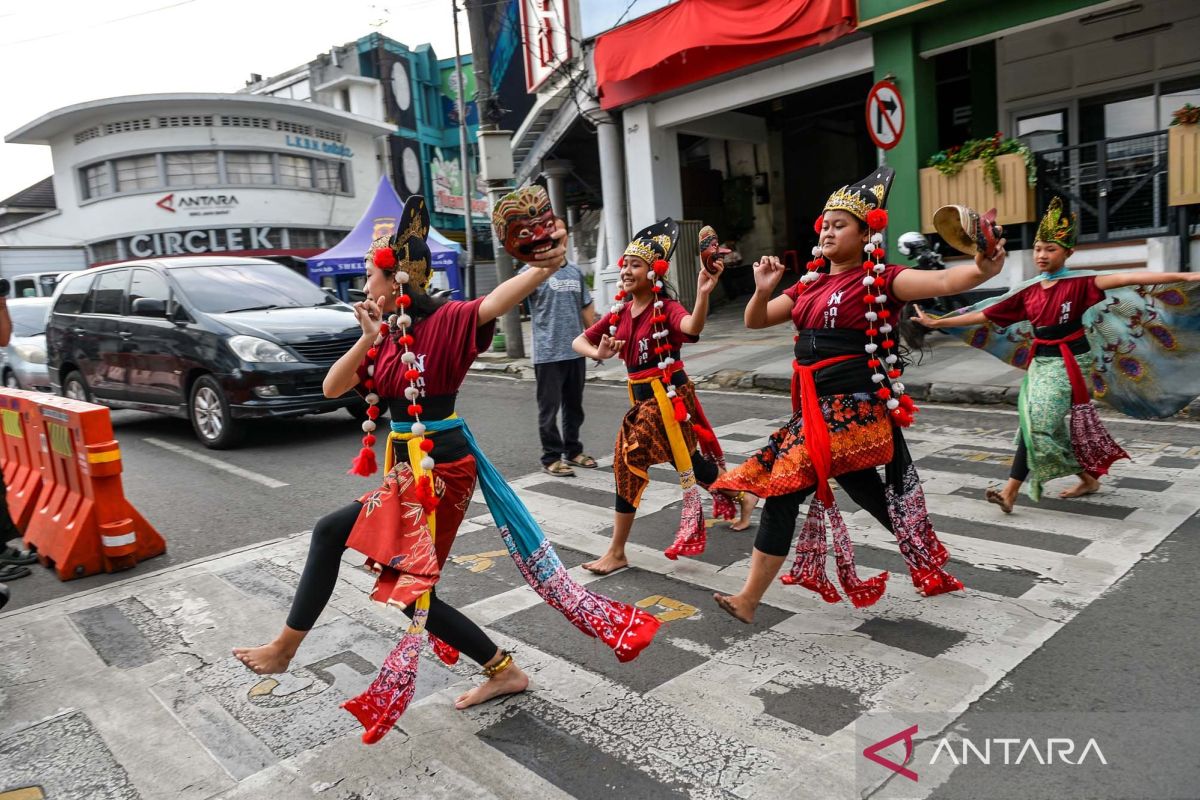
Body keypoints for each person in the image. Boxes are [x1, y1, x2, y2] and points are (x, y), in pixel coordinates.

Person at [234, 195, 660, 744]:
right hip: (408, 466)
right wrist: (366, 336)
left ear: (397, 281)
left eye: (370, 277)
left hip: (440, 466)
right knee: (406, 586)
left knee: (356, 551)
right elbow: (331, 388)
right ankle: (501, 669)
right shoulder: (386, 334)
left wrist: (542, 264)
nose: (365, 288)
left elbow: (495, 303)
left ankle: (288, 648)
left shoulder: (450, 320)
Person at [709, 167, 1008, 623]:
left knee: (784, 489)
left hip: (855, 411)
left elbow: (948, 283)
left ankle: (749, 598)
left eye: (839, 224)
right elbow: (756, 320)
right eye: (824, 224)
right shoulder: (807, 285)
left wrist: (985, 266)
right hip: (814, 411)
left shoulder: (884, 280)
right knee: (874, 497)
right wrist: (763, 290)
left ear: (866, 231)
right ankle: (927, 558)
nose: (828, 230)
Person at [916, 196, 1200, 511]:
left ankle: (1010, 492)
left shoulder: (1081, 284)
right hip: (1041, 364)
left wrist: (1187, 277)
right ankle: (1087, 479)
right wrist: (938, 321)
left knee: (1037, 423)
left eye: (1050, 249)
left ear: (1068, 253)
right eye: (1038, 248)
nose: (1041, 255)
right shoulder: (1029, 290)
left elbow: (1131, 278)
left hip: (1071, 364)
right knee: (1037, 423)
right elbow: (986, 315)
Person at [573, 219, 755, 575]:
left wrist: (703, 293)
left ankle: (617, 550)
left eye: (634, 265)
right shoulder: (619, 313)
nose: (625, 270)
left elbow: (692, 328)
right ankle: (742, 494)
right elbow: (579, 341)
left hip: (668, 398)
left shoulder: (666, 309)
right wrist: (599, 354)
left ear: (654, 271)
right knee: (688, 463)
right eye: (624, 264)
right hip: (640, 399)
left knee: (628, 459)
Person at [506, 187, 598, 477]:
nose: (554, 239)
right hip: (547, 353)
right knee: (549, 411)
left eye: (559, 234)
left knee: (575, 407)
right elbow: (509, 298)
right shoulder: (530, 272)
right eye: (549, 234)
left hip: (575, 351)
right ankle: (550, 457)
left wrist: (595, 344)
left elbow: (587, 311)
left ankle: (573, 451)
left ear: (565, 237)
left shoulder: (575, 274)